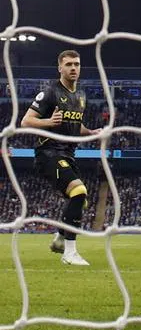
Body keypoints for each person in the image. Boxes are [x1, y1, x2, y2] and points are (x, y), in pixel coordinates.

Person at [20, 50, 99, 266]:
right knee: (79, 191)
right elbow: (26, 121)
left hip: (69, 154)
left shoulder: (80, 95)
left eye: (77, 64)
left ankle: (60, 238)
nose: (73, 68)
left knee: (81, 201)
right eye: (69, 64)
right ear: (60, 68)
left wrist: (91, 132)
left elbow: (75, 125)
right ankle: (69, 253)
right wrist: (48, 122)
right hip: (48, 153)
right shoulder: (50, 93)